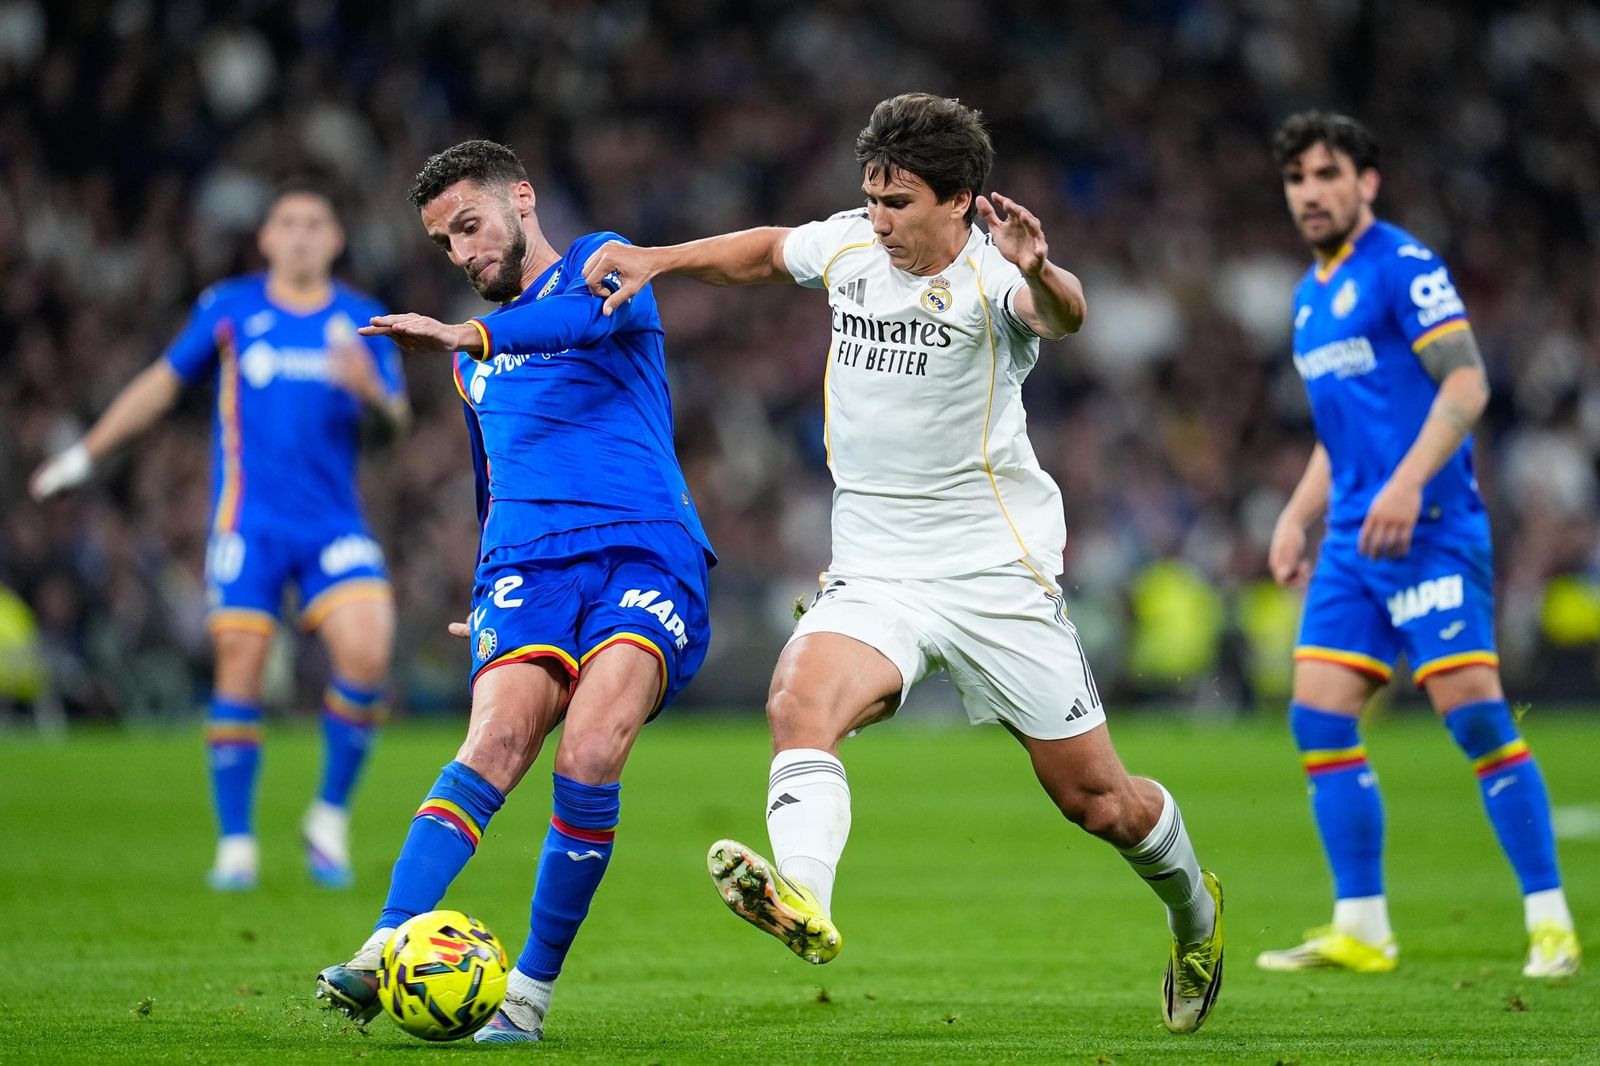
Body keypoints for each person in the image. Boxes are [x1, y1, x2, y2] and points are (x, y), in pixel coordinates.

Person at [581, 93, 1224, 1034]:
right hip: (876, 569)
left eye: (901, 203)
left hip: (994, 578)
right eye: (873, 198)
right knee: (799, 701)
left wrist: (1043, 271)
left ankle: (1194, 918)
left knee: (1100, 802)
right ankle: (803, 896)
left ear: (960, 200)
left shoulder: (994, 280)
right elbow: (767, 251)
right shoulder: (849, 246)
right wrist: (659, 260)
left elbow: (1065, 316)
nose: (880, 221)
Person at [313, 140, 714, 1044]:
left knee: (591, 748)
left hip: (642, 554)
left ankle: (527, 996)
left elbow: (570, 322)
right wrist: (484, 590)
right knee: (494, 739)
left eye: (468, 225)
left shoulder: (604, 267)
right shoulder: (471, 364)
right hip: (524, 571)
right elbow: (491, 481)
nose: (461, 254)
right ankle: (382, 948)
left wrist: (466, 330)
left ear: (521, 199)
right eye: (443, 242)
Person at [1256, 111, 1580, 978]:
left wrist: (1405, 482)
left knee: (1473, 714)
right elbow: (1339, 433)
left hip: (1432, 531)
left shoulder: (1404, 266)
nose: (1310, 193)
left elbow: (1469, 381)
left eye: (1327, 175)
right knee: (1318, 717)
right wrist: (1296, 514)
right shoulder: (1308, 295)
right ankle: (1361, 924)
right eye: (1297, 180)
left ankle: (1551, 921)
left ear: (1367, 182)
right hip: (1353, 544)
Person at [30, 185, 409, 891]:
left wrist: (372, 392)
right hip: (249, 522)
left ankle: (328, 818)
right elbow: (161, 385)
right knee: (240, 662)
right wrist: (86, 455)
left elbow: (396, 428)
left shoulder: (361, 320)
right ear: (265, 239)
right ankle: (236, 844)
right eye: (287, 223)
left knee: (368, 653)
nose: (300, 235)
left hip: (333, 523)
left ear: (335, 240)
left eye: (315, 224)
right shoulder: (232, 309)